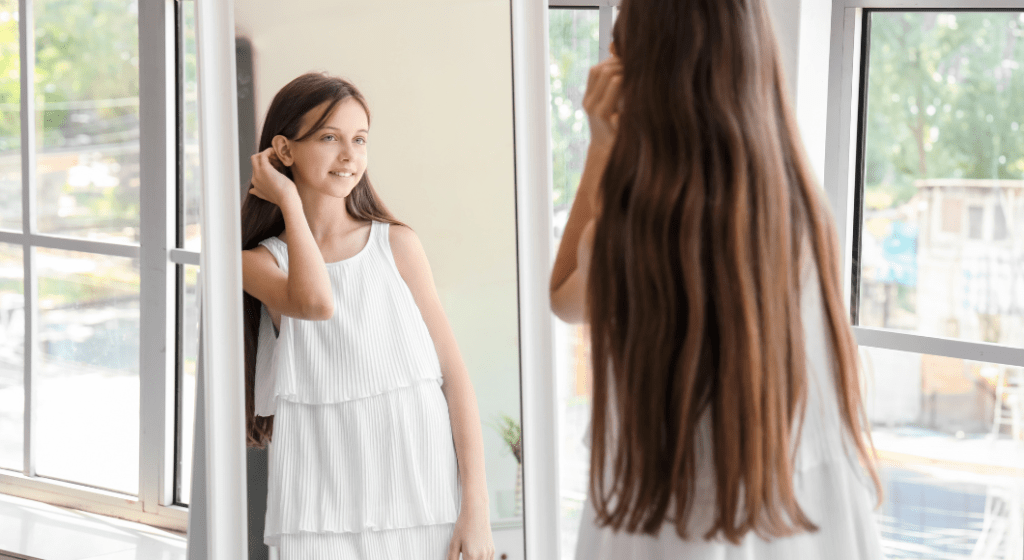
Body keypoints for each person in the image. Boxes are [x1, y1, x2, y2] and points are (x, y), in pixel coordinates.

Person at [549, 0, 887, 558]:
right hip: (808, 517)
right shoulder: (802, 210)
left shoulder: (634, 234)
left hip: (661, 519)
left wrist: (603, 147)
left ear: (637, 75)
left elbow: (566, 299)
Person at [240, 72, 494, 560]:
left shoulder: (397, 244)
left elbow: (454, 377)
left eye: (359, 140)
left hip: (423, 493)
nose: (349, 155)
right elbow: (316, 303)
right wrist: (290, 201)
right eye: (329, 137)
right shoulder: (258, 261)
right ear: (283, 151)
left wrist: (475, 511)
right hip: (319, 504)